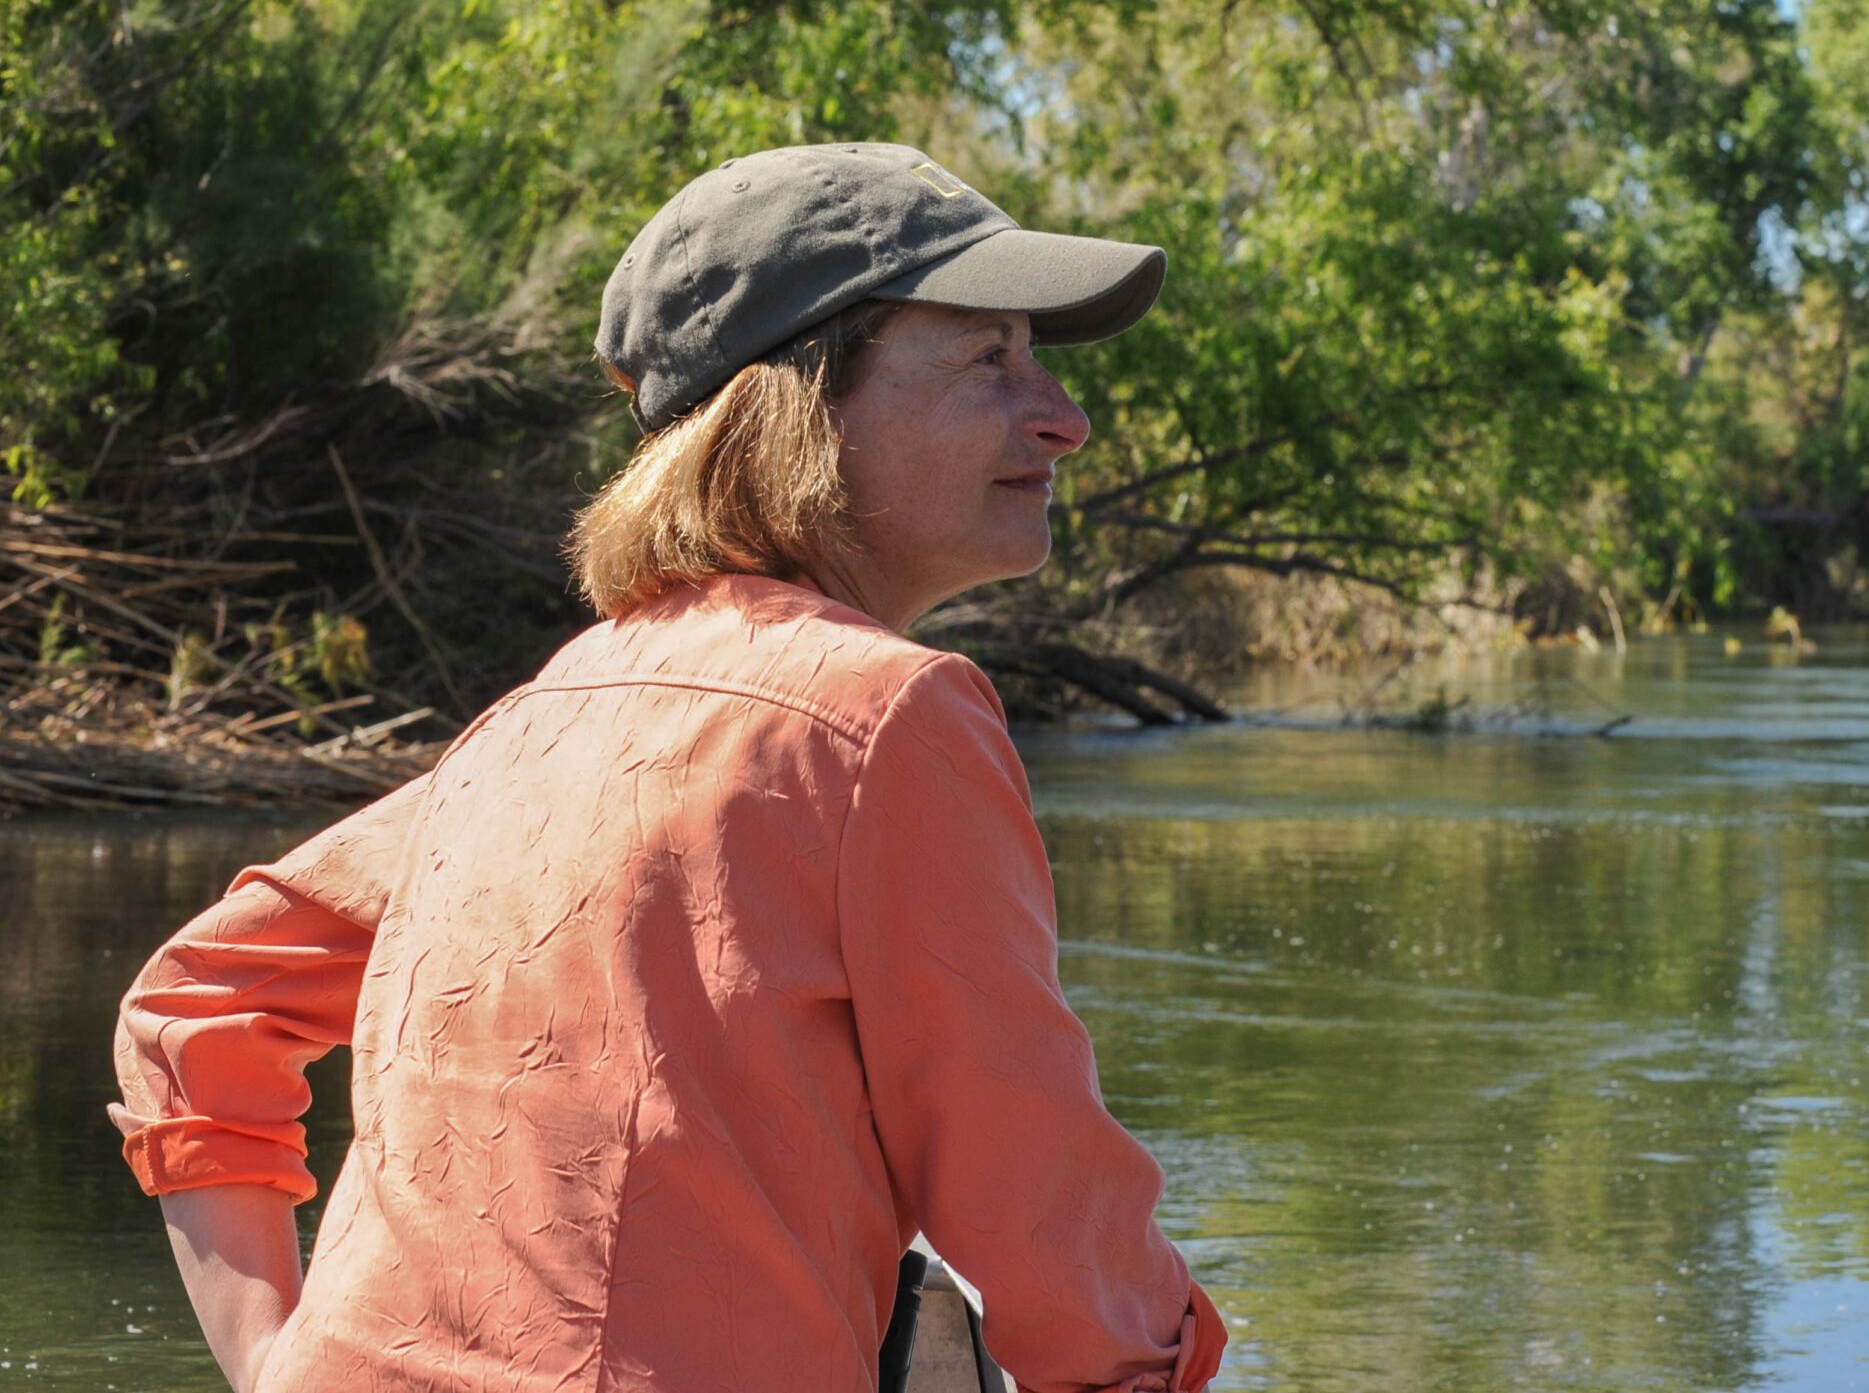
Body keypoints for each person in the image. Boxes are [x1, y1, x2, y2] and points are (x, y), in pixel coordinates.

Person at [106, 143, 1227, 1393]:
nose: (1062, 415)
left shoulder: (526, 724)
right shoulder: (892, 716)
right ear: (796, 406)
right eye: (986, 356)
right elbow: (1042, 1222)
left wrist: (271, 1360)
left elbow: (199, 1007)